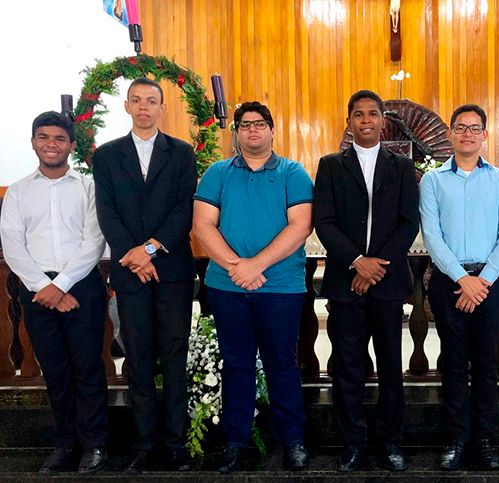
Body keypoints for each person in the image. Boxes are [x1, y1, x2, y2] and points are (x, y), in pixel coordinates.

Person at [192, 101, 313, 473]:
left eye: (260, 124)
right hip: (227, 288)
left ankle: (292, 440)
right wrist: (237, 267)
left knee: (282, 364)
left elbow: (300, 226)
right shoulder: (217, 173)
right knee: (236, 365)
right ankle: (235, 443)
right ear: (237, 133)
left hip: (281, 287)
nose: (253, 130)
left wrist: (256, 265)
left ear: (272, 130)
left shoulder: (293, 172)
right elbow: (202, 225)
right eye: (244, 125)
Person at [92, 77, 197, 473]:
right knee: (137, 358)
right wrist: (135, 256)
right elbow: (107, 214)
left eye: (151, 101)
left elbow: (184, 210)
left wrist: (150, 249)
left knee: (174, 355)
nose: (143, 107)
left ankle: (175, 442)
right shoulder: (107, 156)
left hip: (172, 271)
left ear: (162, 107)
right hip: (129, 271)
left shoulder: (182, 153)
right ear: (126, 106)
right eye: (136, 100)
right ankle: (145, 443)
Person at [313, 89, 419, 472]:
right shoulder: (330, 165)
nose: (366, 120)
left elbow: (408, 222)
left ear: (382, 120)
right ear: (349, 122)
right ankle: (352, 442)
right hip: (346, 283)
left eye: (373, 114)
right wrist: (358, 262)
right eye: (358, 114)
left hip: (387, 285)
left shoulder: (402, 166)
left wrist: (376, 267)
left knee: (391, 366)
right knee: (348, 368)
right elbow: (324, 222)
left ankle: (391, 441)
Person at [0, 111, 109, 474]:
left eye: (60, 138)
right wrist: (45, 287)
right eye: (44, 137)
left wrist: (60, 286)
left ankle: (95, 444)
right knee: (55, 370)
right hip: (37, 291)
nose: (51, 144)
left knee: (88, 367)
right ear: (33, 142)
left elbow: (94, 240)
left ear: (71, 145)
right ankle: (66, 444)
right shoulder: (19, 192)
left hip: (83, 287)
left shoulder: (88, 188)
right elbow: (12, 245)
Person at [419, 104, 499, 470]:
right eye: (460, 127)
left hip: (490, 283)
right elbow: (432, 236)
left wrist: (482, 281)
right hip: (449, 282)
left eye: (475, 128)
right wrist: (463, 280)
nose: (467, 134)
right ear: (450, 133)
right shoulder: (433, 181)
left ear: (484, 135)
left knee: (487, 364)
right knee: (454, 363)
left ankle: (484, 440)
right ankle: (456, 439)